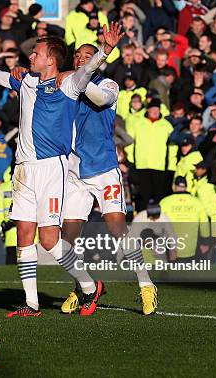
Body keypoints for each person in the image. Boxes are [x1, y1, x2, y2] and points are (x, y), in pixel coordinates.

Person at [0, 23, 123, 317]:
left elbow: (86, 72)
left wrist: (105, 50)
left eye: (37, 52)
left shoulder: (68, 84)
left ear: (51, 60)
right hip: (23, 169)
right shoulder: (27, 81)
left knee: (48, 240)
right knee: (23, 234)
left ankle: (88, 286)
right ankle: (31, 303)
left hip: (51, 169)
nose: (31, 56)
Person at [52, 43, 157, 316]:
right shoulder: (67, 87)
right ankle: (83, 287)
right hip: (75, 172)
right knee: (67, 238)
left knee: (118, 230)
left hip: (104, 169)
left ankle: (146, 285)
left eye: (89, 57)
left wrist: (77, 76)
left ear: (98, 61)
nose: (82, 60)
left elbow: (98, 99)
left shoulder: (109, 84)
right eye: (78, 57)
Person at [159, 176, 210, 261]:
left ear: (174, 187)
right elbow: (204, 224)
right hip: (190, 249)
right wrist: (205, 242)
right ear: (186, 187)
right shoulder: (197, 202)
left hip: (171, 249)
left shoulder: (164, 202)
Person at [0, 165, 17, 264]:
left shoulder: (2, 188)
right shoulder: (30, 186)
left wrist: (3, 227)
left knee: (11, 268)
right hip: (30, 236)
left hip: (10, 234)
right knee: (29, 268)